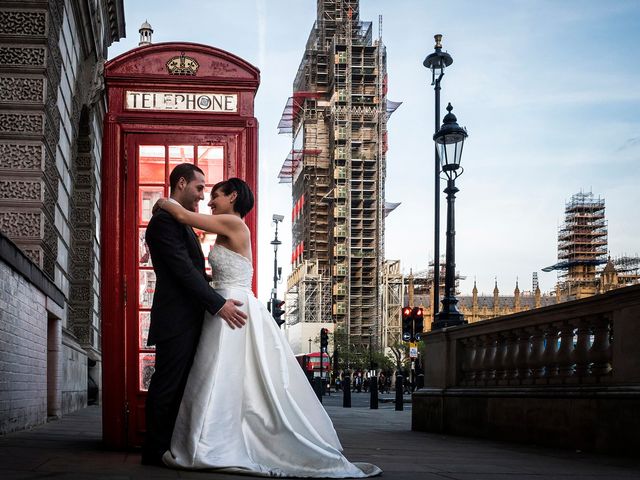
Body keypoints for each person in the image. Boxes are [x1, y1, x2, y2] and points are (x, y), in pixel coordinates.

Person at [155, 177, 381, 477]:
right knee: (224, 376)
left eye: (216, 196)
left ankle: (210, 441)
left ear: (233, 197)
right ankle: (212, 437)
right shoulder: (230, 225)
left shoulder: (233, 224)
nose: (210, 201)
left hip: (231, 308)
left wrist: (162, 202)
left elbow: (183, 216)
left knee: (221, 374)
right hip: (223, 304)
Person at [141, 164, 247, 466]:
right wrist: (217, 303)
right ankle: (154, 451)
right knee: (167, 386)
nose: (204, 195)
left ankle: (170, 446)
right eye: (200, 188)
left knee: (179, 387)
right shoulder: (165, 221)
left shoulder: (179, 220)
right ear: (182, 182)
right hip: (176, 318)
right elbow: (184, 271)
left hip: (190, 316)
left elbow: (195, 272)